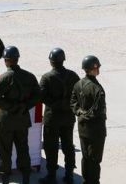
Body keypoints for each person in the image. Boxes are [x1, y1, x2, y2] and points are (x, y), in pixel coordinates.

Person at [0, 46, 41, 184]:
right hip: (22, 119)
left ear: (6, 61)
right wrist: (24, 106)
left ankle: (5, 180)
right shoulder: (29, 76)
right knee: (23, 149)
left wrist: (12, 107)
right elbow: (38, 95)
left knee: (5, 151)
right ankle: (26, 178)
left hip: (6, 121)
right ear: (17, 59)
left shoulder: (4, 78)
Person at [39, 48, 80, 184]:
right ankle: (69, 174)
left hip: (52, 118)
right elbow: (79, 94)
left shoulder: (47, 77)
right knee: (68, 146)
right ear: (63, 60)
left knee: (51, 147)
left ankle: (51, 175)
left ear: (51, 62)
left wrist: (56, 104)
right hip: (68, 117)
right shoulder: (73, 76)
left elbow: (42, 97)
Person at [71, 55, 107, 184]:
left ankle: (86, 181)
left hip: (83, 128)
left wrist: (80, 113)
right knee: (95, 159)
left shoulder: (78, 84)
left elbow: (73, 103)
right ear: (93, 68)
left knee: (85, 157)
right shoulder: (97, 89)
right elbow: (98, 110)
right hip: (96, 130)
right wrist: (87, 114)